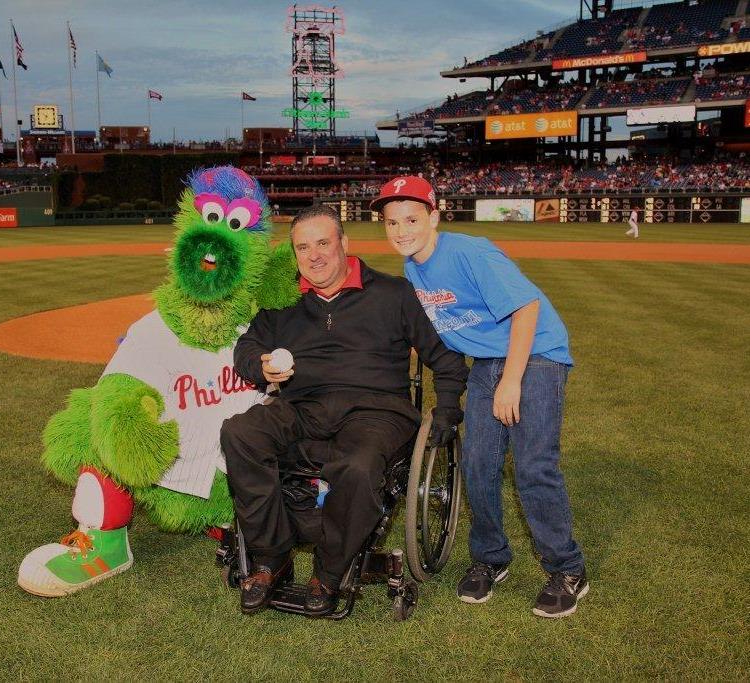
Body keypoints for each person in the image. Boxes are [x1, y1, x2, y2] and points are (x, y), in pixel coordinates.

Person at [220, 205, 468, 618]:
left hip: (377, 410)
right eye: (303, 247)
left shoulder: (391, 293)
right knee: (240, 432)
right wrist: (259, 364)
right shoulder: (283, 302)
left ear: (344, 244)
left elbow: (443, 357)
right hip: (303, 406)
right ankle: (271, 558)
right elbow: (245, 347)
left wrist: (446, 409)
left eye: (323, 243)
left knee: (357, 462)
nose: (314, 255)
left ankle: (330, 572)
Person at [371, 176, 587, 619]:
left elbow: (526, 308)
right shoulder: (415, 265)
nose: (401, 230)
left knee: (532, 464)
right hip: (489, 361)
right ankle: (491, 556)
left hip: (537, 354)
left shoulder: (469, 251)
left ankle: (568, 569)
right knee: (478, 463)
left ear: (434, 216)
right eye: (392, 222)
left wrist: (512, 380)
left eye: (411, 219)